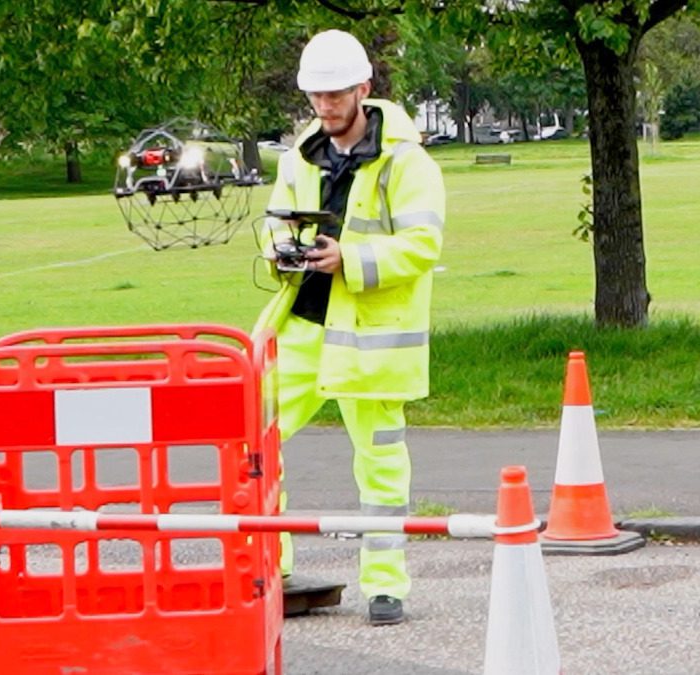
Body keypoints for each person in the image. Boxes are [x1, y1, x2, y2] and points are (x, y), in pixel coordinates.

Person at [254, 29, 446, 626]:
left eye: (335, 95)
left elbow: (422, 245)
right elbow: (273, 225)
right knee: (253, 442)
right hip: (305, 324)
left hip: (369, 332)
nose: (325, 107)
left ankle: (386, 587)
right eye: (315, 97)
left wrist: (351, 259)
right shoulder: (298, 156)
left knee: (381, 462)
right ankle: (269, 566)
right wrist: (280, 248)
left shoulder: (408, 163)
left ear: (364, 88)